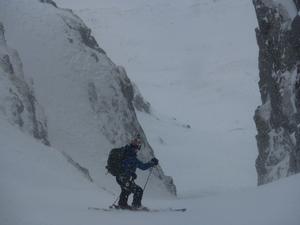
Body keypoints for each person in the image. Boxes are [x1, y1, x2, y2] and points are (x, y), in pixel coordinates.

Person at [116, 136, 159, 209]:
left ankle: (122, 205)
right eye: (138, 147)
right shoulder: (131, 156)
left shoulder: (126, 153)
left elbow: (125, 165)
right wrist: (152, 163)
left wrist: (130, 174)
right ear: (135, 147)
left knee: (126, 190)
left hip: (120, 178)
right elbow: (142, 166)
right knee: (138, 190)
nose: (138, 150)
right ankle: (136, 206)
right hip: (124, 178)